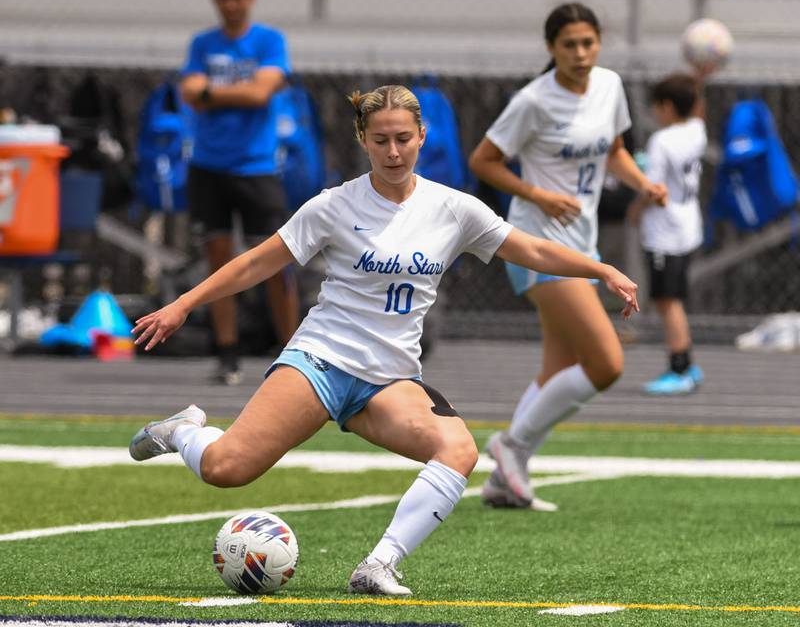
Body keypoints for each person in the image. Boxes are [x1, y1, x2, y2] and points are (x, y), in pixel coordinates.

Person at [128, 84, 640, 595]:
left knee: (458, 449)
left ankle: (378, 565)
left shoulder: (453, 209)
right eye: (380, 141)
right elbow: (257, 262)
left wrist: (601, 270)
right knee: (225, 469)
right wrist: (182, 304)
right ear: (363, 140)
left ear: (422, 136)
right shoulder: (333, 205)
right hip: (322, 361)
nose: (393, 152)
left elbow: (532, 249)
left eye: (402, 139)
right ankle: (182, 432)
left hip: (389, 379)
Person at [468, 2, 666, 511]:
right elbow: (483, 162)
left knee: (559, 368)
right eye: (569, 45)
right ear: (551, 48)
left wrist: (643, 183)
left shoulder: (610, 85)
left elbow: (613, 149)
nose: (580, 53)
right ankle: (510, 446)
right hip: (536, 244)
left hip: (584, 240)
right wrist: (538, 196)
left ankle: (505, 478)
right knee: (605, 363)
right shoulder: (533, 101)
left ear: (599, 43)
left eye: (588, 43)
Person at [180, 0, 299, 385]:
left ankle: (292, 354)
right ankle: (228, 352)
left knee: (274, 262)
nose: (231, 4)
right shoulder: (202, 43)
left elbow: (260, 93)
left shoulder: (269, 40)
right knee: (218, 261)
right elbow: (189, 93)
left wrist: (212, 93)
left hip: (256, 167)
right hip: (208, 165)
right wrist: (232, 94)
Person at [627, 73, 706, 395]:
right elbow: (699, 108)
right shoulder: (696, 129)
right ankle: (686, 361)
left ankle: (680, 367)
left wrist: (635, 211)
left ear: (668, 106)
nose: (655, 113)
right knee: (673, 300)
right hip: (687, 226)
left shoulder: (662, 141)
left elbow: (654, 190)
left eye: (657, 106)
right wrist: (699, 77)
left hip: (665, 232)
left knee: (667, 302)